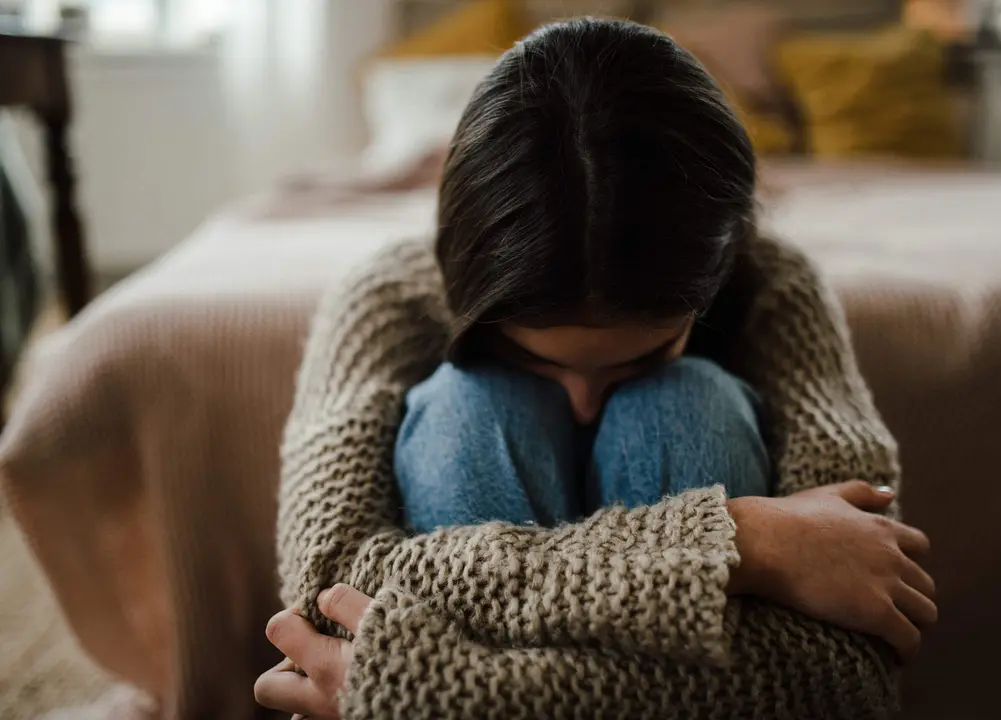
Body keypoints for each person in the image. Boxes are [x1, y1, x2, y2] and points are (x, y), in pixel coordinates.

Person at [255, 17, 936, 720]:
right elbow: (329, 592)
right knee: (468, 404)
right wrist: (741, 539)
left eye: (642, 355)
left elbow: (847, 678)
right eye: (528, 357)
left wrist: (438, 693)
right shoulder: (387, 298)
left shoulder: (774, 288)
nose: (584, 404)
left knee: (687, 401)